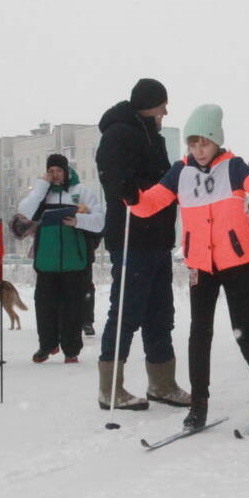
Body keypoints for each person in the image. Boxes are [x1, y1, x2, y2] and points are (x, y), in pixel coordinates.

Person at [126, 103, 249, 430]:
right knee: (199, 333)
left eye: (204, 143)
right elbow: (151, 202)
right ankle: (199, 403)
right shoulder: (181, 171)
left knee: (243, 330)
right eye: (193, 144)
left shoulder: (234, 167)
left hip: (236, 261)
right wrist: (132, 198)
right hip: (200, 264)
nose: (198, 150)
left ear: (216, 140)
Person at [95, 78, 190, 410]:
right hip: (131, 236)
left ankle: (162, 383)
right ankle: (111, 388)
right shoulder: (118, 133)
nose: (166, 110)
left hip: (158, 238)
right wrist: (154, 187)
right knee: (125, 312)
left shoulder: (153, 136)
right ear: (149, 104)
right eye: (163, 104)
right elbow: (117, 181)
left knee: (160, 313)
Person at [18, 153, 105, 363]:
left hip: (75, 262)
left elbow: (100, 221)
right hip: (47, 262)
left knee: (72, 307)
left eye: (58, 171)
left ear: (66, 171)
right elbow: (24, 212)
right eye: (51, 171)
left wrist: (78, 221)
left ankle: (71, 348)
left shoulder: (81, 192)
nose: (55, 175)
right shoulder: (41, 194)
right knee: (44, 305)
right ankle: (47, 345)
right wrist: (41, 186)